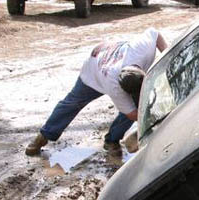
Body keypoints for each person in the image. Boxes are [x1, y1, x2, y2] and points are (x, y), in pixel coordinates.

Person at [25, 28, 168, 156]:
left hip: (109, 54)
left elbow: (155, 34)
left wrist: (166, 56)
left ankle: (112, 141)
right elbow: (131, 114)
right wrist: (153, 120)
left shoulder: (140, 50)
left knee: (138, 107)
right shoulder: (114, 87)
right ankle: (43, 136)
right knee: (72, 103)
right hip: (93, 70)